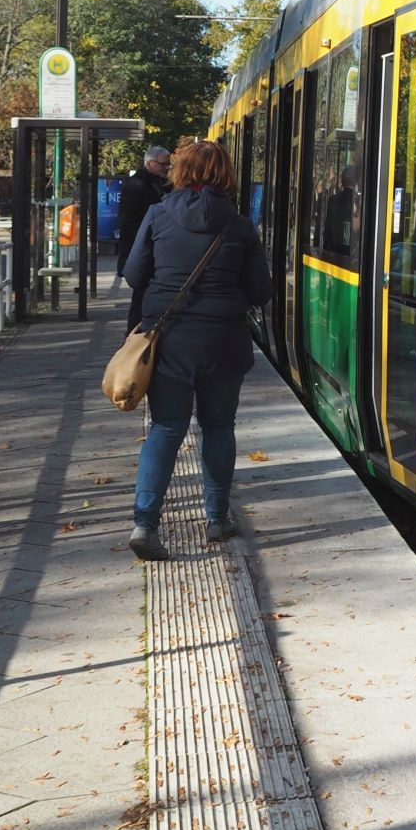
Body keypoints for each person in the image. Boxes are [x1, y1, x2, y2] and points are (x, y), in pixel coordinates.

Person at [122, 139, 271, 562]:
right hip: (223, 340)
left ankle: (145, 524)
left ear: (179, 171)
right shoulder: (240, 226)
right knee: (219, 426)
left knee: (167, 428)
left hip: (168, 340)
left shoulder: (157, 214)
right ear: (224, 173)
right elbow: (261, 291)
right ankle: (216, 518)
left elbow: (134, 275)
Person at [114, 145, 170, 315]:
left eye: (168, 164)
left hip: (150, 251)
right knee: (140, 300)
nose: (167, 168)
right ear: (150, 163)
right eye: (163, 164)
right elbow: (127, 222)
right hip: (142, 252)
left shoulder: (161, 183)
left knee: (144, 298)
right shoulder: (137, 184)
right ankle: (133, 337)